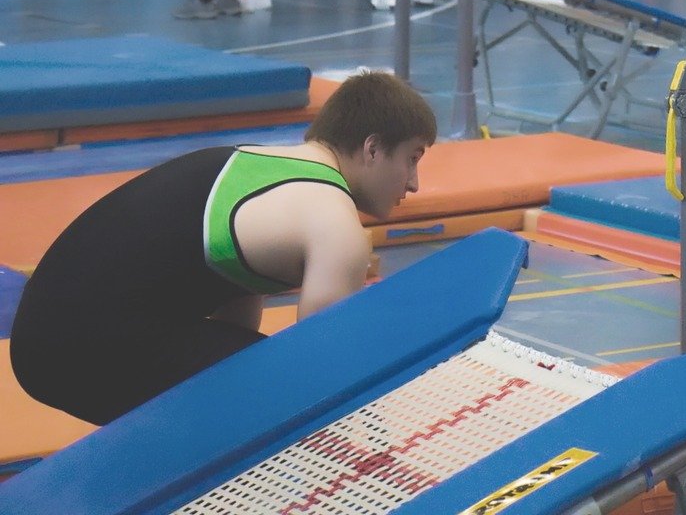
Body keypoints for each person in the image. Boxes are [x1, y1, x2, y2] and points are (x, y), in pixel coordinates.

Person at [10, 70, 436, 425]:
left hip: (48, 334)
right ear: (372, 148)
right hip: (80, 343)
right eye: (412, 158)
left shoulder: (258, 166)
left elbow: (233, 323)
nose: (414, 183)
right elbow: (319, 374)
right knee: (287, 395)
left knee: (246, 380)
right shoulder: (335, 222)